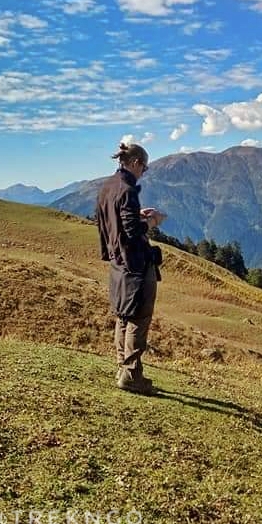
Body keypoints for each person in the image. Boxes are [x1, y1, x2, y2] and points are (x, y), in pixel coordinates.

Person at [95, 142, 166, 394]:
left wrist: (137, 214)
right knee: (139, 317)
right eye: (144, 168)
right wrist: (152, 221)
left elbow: (109, 221)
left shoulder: (107, 186)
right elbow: (133, 232)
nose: (144, 172)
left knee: (123, 315)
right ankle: (132, 374)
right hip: (135, 264)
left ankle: (122, 369)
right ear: (135, 163)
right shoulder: (127, 190)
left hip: (118, 262)